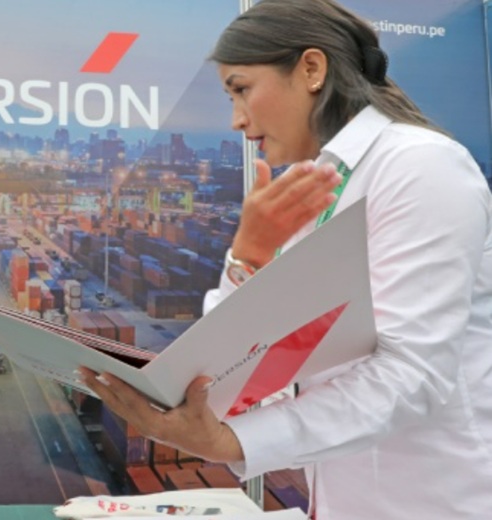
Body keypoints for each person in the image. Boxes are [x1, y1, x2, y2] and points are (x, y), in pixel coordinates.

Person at [80, 0, 492, 518]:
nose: (236, 119)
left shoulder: (421, 167)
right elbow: (242, 369)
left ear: (312, 70)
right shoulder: (309, 186)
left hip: (441, 502)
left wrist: (234, 442)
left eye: (241, 89)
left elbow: (412, 372)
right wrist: (246, 257)